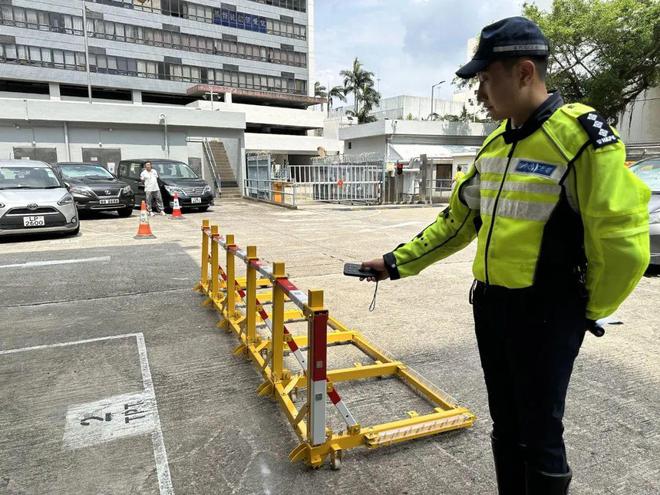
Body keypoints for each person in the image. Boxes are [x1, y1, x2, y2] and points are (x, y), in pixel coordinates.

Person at [361, 16, 650, 495]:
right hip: (492, 307)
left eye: (487, 78)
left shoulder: (579, 139)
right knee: (505, 425)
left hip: (547, 312)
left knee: (540, 431)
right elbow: (457, 222)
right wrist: (395, 262)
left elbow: (622, 241)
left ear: (523, 72)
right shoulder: (495, 145)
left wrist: (586, 308)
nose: (481, 91)